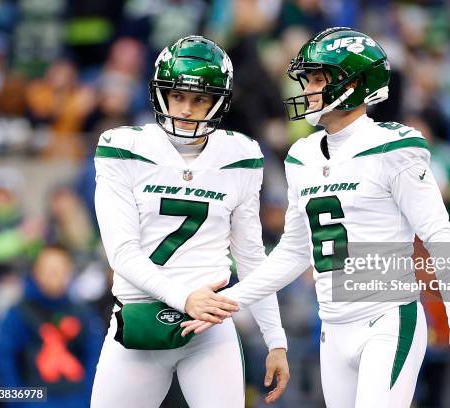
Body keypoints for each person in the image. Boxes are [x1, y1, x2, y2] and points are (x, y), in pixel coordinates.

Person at [182, 27, 450, 408]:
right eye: (306, 79)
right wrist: (229, 300)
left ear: (355, 84)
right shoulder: (302, 156)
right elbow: (294, 252)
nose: (307, 89)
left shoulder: (394, 147)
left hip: (388, 319)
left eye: (317, 79)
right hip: (332, 328)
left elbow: (437, 231)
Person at [90, 36, 289, 408]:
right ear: (160, 93)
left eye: (200, 99)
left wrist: (275, 338)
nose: (186, 108)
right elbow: (121, 253)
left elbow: (250, 256)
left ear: (219, 101)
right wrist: (186, 298)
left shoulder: (241, 155)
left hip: (209, 330)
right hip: (139, 321)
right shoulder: (123, 147)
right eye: (179, 95)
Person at [0, 245, 104, 408]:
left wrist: (90, 398)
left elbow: (95, 357)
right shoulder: (17, 314)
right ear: (35, 272)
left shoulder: (83, 313)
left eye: (60, 268)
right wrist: (17, 403)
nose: (54, 274)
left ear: (69, 272)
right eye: (48, 268)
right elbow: (6, 360)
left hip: (77, 397)